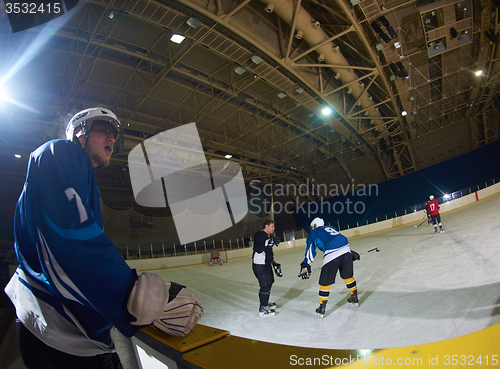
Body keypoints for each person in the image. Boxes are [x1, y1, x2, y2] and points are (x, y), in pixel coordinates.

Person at [4, 107, 203, 369]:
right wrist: (132, 293)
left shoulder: (85, 180)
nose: (112, 139)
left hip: (77, 334)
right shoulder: (59, 152)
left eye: (114, 135)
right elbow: (72, 239)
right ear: (80, 132)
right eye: (104, 130)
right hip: (57, 330)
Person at [298, 217, 360, 318]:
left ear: (314, 226)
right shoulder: (330, 227)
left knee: (325, 281)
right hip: (345, 248)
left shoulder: (314, 233)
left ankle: (321, 307)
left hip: (332, 253)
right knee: (347, 275)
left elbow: (311, 249)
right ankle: (354, 296)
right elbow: (337, 239)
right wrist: (348, 252)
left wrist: (306, 264)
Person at [252, 219, 282, 316]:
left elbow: (268, 253)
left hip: (266, 263)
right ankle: (263, 307)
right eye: (272, 226)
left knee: (269, 283)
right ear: (266, 226)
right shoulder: (259, 235)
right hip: (259, 264)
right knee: (265, 285)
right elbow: (258, 249)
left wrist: (274, 264)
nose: (274, 228)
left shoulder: (268, 237)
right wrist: (269, 242)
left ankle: (264, 302)